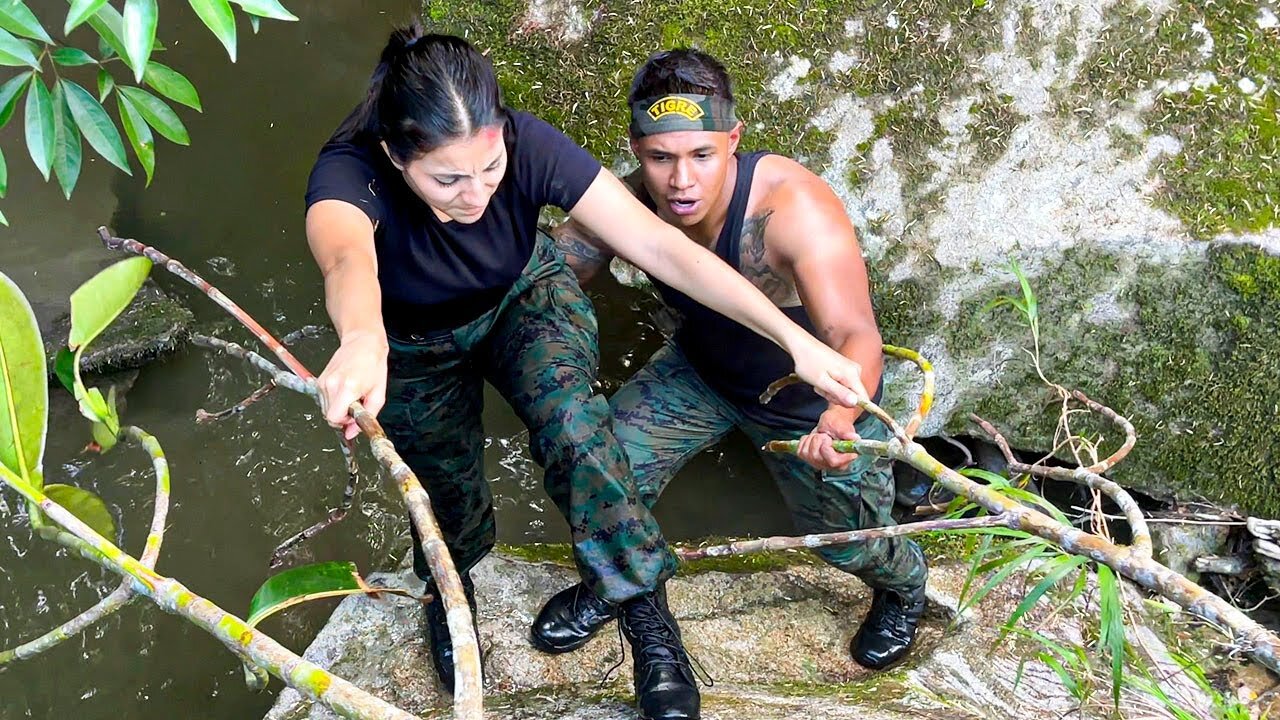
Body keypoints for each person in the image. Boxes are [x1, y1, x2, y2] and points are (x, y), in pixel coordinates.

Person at [303, 26, 876, 720]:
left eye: (490, 169)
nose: (475, 194)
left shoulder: (529, 142)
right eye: (447, 178)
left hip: (525, 297)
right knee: (446, 495)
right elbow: (346, 262)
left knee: (578, 434)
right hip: (412, 340)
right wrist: (363, 339)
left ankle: (648, 626)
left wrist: (795, 340)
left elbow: (657, 243)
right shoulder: (348, 174)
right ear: (397, 155)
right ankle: (448, 601)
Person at [531, 48, 930, 672]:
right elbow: (548, 278)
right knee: (598, 470)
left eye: (701, 155)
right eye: (661, 158)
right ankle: (619, 578)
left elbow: (855, 333)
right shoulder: (628, 201)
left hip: (809, 404)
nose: (681, 182)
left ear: (733, 140)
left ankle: (905, 588)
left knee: (851, 546)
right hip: (700, 373)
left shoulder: (792, 210)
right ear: (637, 149)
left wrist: (841, 420)